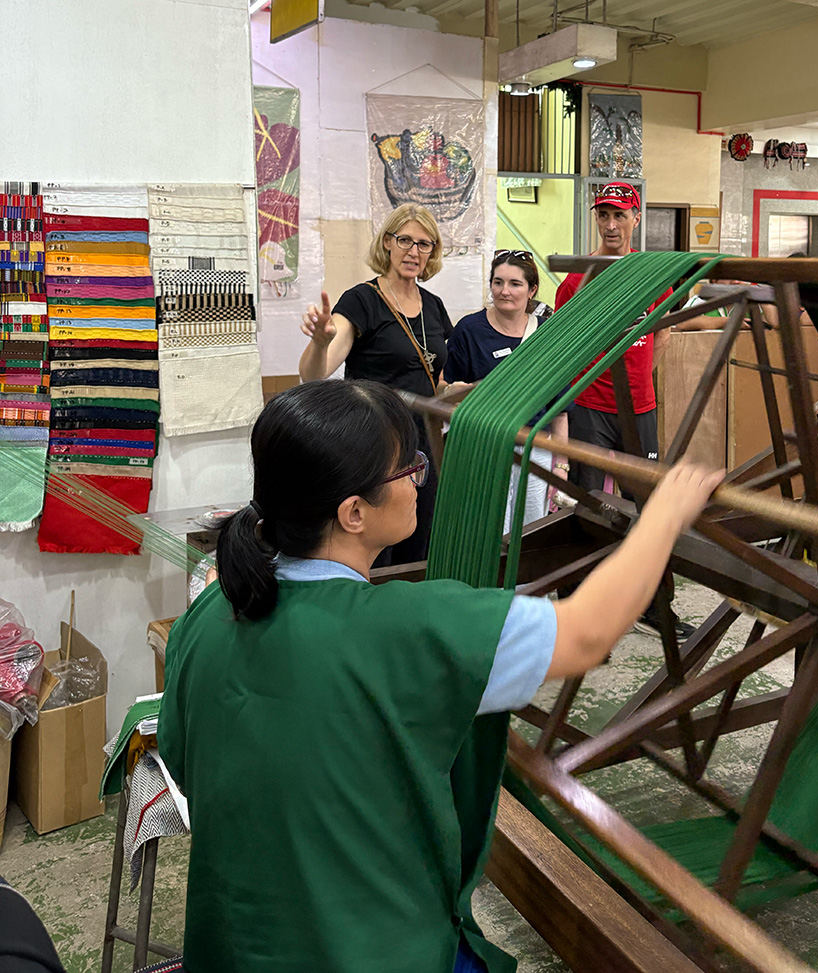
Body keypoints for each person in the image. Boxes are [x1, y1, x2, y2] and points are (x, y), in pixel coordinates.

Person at [158, 378, 723, 973]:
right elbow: (588, 631)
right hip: (369, 951)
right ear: (354, 512)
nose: (418, 483)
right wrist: (663, 515)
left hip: (232, 945)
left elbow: (188, 762)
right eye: (410, 470)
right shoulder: (413, 629)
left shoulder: (210, 613)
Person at [298, 203, 451, 565]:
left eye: (424, 244)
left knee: (419, 547)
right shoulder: (362, 300)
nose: (413, 252)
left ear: (433, 252)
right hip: (375, 447)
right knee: (374, 553)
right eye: (405, 240)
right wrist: (320, 342)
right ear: (387, 242)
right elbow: (314, 375)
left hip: (424, 450)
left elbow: (438, 380)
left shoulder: (434, 306)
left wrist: (458, 390)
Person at [554, 181, 670, 494]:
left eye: (619, 215)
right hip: (591, 407)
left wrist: (640, 379)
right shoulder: (578, 279)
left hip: (640, 407)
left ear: (637, 217)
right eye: (603, 216)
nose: (611, 225)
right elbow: (563, 343)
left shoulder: (652, 274)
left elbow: (663, 333)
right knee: (587, 501)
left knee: (642, 496)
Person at [443, 249, 570, 532]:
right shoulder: (469, 330)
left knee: (532, 529)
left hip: (534, 448)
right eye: (498, 282)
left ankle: (523, 579)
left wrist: (561, 465)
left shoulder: (547, 334)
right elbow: (443, 386)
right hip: (484, 445)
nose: (504, 291)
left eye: (515, 284)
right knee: (488, 528)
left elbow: (560, 407)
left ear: (532, 289)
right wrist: (458, 390)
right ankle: (488, 579)